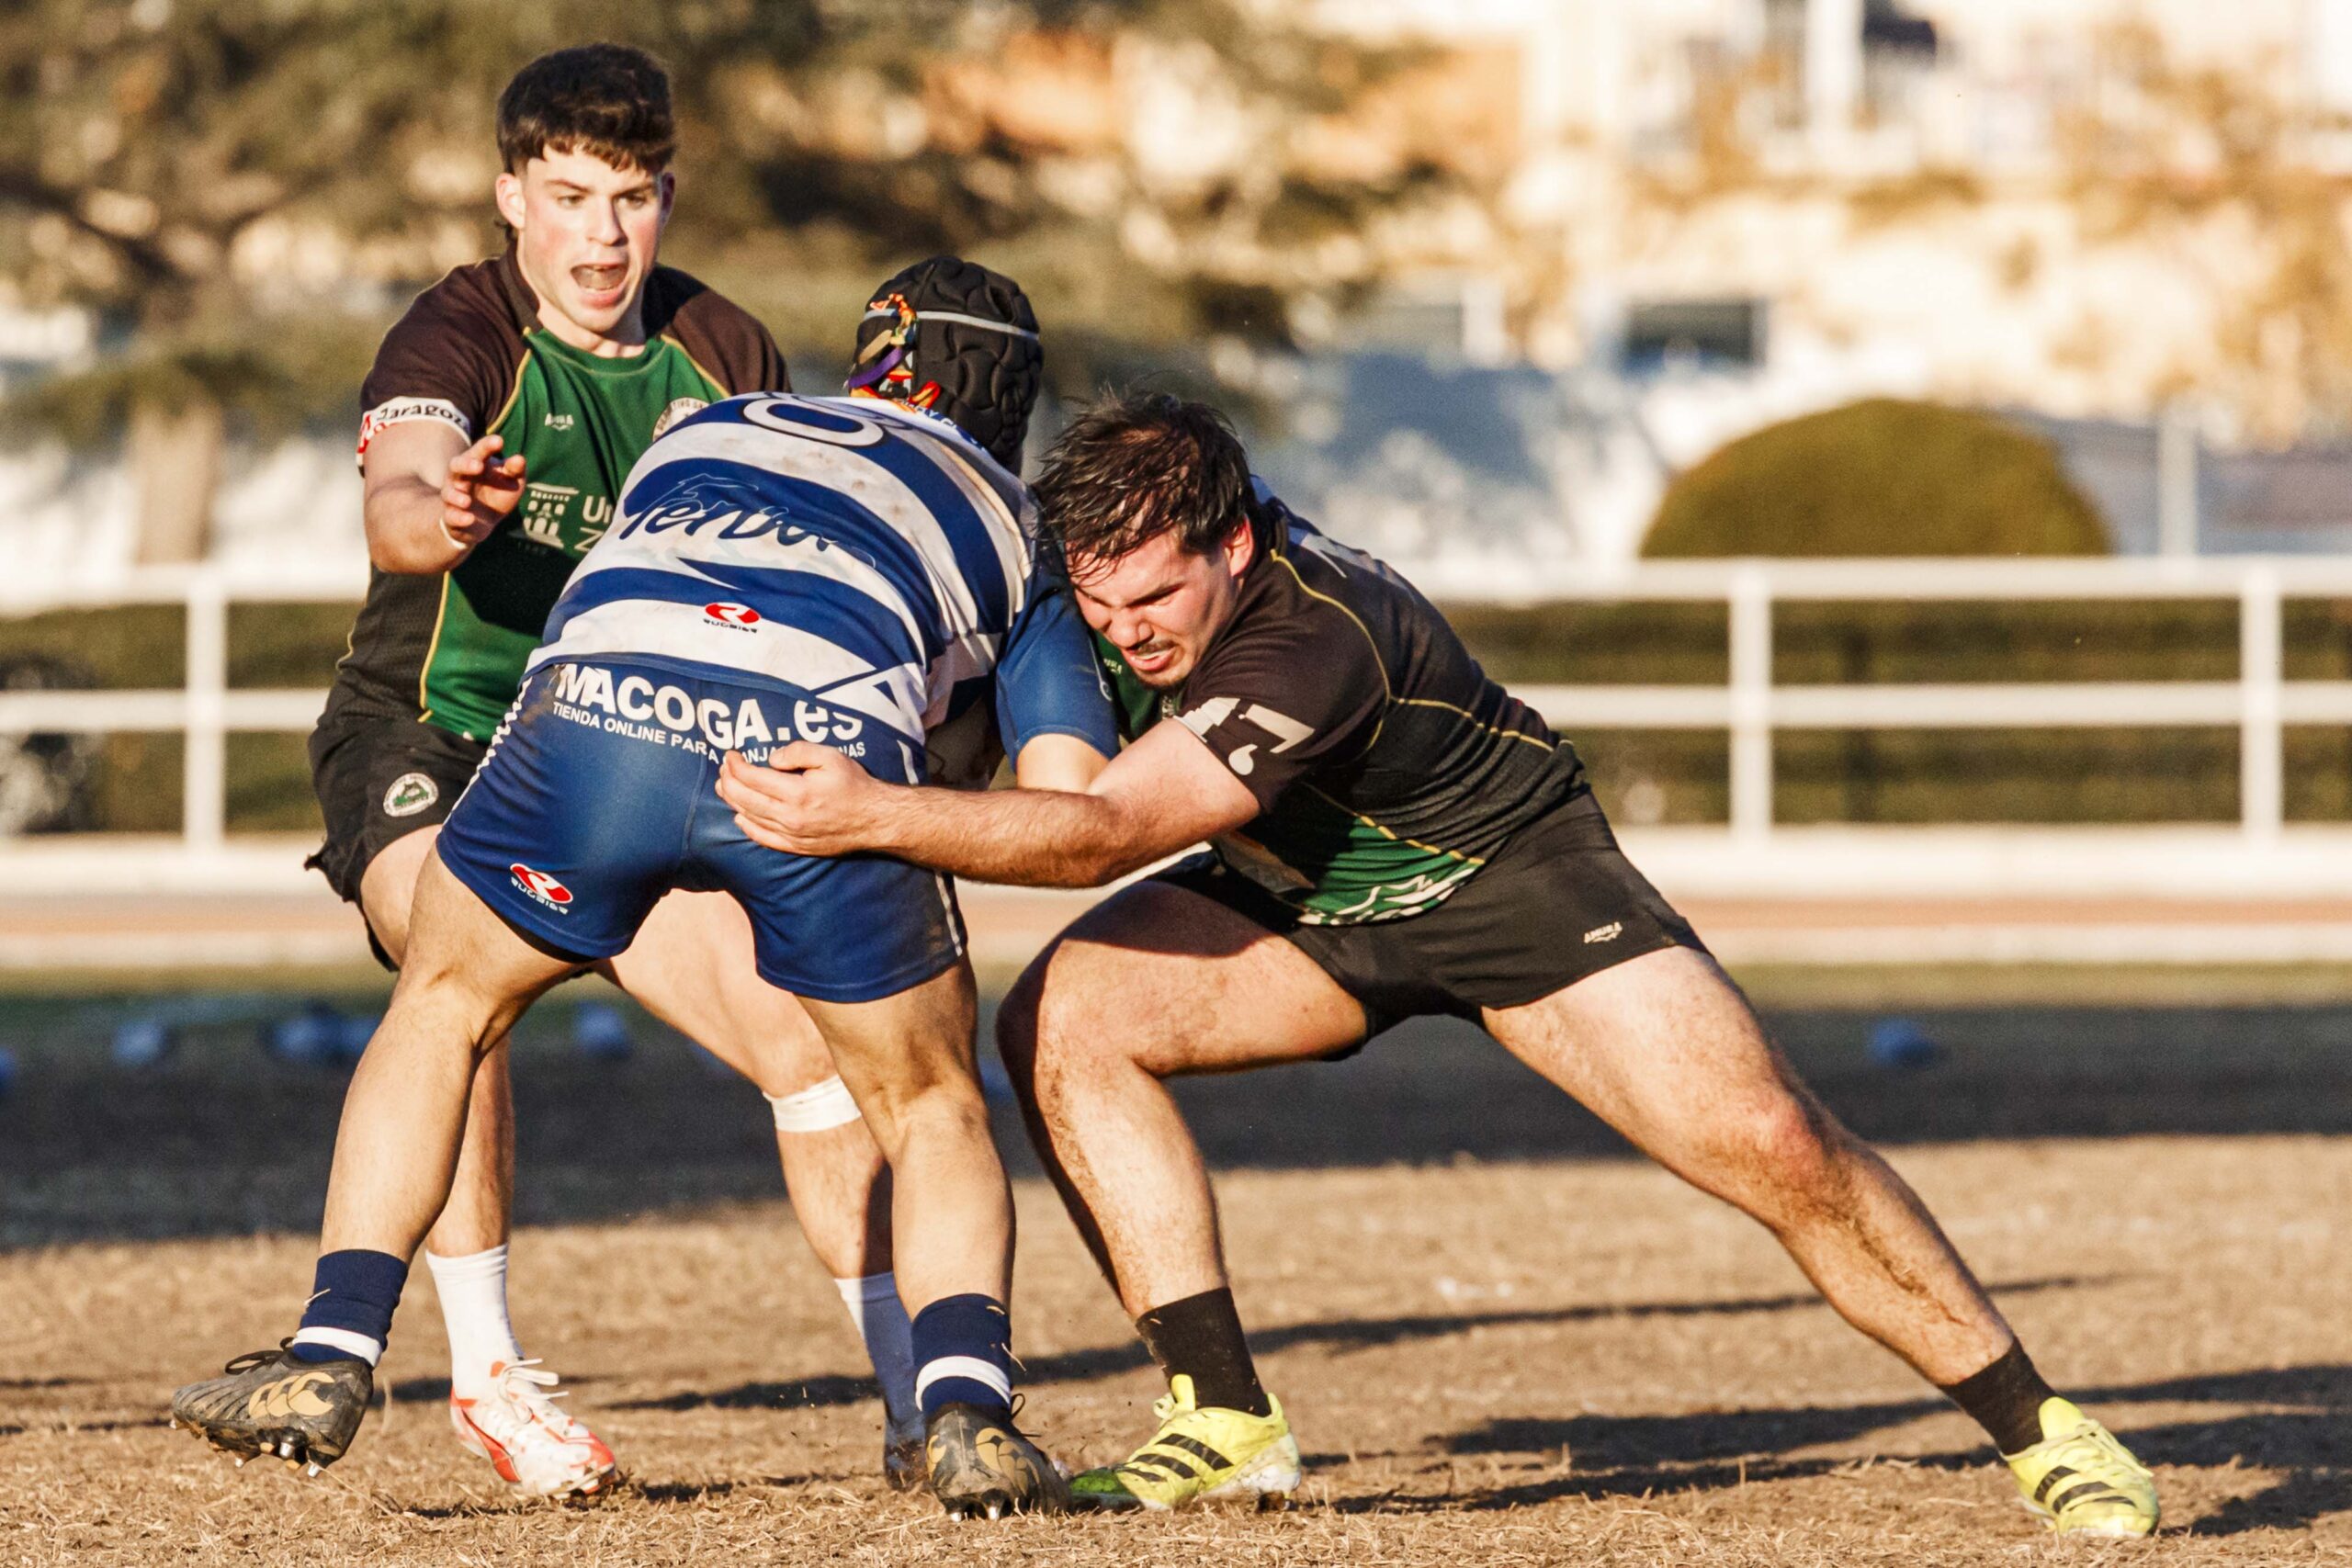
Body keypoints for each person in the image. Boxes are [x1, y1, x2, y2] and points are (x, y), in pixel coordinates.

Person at [714, 392, 2165, 1538]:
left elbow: (1100, 835)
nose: (1123, 632)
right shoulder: (1139, 589)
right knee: (1066, 1022)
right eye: (1098, 605)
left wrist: (874, 812)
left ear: (1233, 542)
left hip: (1513, 886)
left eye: (1151, 597)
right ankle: (1224, 1419)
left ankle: (2045, 1429)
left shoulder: (1315, 637)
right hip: (1312, 901)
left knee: (1775, 1144)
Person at [174, 257, 1109, 1522]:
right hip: (808, 751)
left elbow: (636, 593)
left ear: (870, 357)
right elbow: (1066, 808)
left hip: (599, 711)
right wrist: (916, 804)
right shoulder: (1013, 520)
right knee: (929, 1098)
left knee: (444, 1004)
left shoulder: (723, 421)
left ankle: (332, 1350)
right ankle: (962, 1410)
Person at [302, 44, 924, 1495]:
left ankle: (917, 1399)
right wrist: (438, 510)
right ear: (511, 194)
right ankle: (488, 1379)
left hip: (630, 758)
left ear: (665, 198)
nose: (600, 234)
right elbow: (398, 491)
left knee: (805, 1040)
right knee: (463, 978)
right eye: (569, 195)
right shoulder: (459, 331)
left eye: (631, 197)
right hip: (428, 737)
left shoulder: (725, 353)